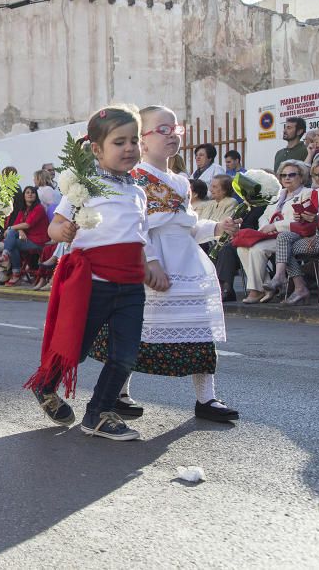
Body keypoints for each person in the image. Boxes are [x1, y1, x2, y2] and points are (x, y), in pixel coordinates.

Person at [89, 105, 240, 424]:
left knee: (200, 333)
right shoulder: (134, 178)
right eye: (163, 129)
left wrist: (217, 228)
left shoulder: (182, 182)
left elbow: (186, 227)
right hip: (152, 264)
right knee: (135, 332)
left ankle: (206, 398)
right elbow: (136, 226)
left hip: (188, 265)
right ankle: (118, 393)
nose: (172, 135)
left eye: (176, 129)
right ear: (141, 141)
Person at [25, 105, 151, 441]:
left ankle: (98, 412)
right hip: (94, 284)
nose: (129, 148)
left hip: (131, 286)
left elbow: (141, 235)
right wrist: (62, 233)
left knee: (125, 354)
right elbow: (56, 225)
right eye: (119, 142)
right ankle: (46, 385)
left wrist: (151, 266)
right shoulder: (85, 185)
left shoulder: (137, 191)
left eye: (134, 140)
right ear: (97, 149)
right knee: (75, 348)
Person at [264, 156, 319, 305]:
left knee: (285, 249)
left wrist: (317, 219)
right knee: (283, 238)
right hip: (313, 234)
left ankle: (297, 286)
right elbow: (311, 217)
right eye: (316, 175)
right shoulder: (316, 192)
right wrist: (302, 216)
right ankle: (283, 278)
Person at [239, 161, 311, 303]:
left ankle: (255, 291)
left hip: (292, 235)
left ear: (301, 177)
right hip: (272, 235)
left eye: (291, 175)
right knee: (242, 248)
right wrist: (266, 226)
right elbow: (264, 216)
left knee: (257, 249)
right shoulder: (277, 195)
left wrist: (275, 226)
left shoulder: (308, 193)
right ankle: (265, 288)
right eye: (283, 175)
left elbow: (301, 220)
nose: (287, 178)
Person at [0, 186, 50, 286]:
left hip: (39, 241)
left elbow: (27, 224)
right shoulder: (23, 210)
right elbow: (18, 224)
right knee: (12, 240)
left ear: (36, 196)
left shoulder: (39, 208)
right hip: (27, 239)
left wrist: (13, 228)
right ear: (24, 196)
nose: (30, 194)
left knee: (11, 236)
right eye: (27, 192)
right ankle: (12, 266)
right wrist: (19, 230)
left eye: (32, 192)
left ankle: (14, 271)